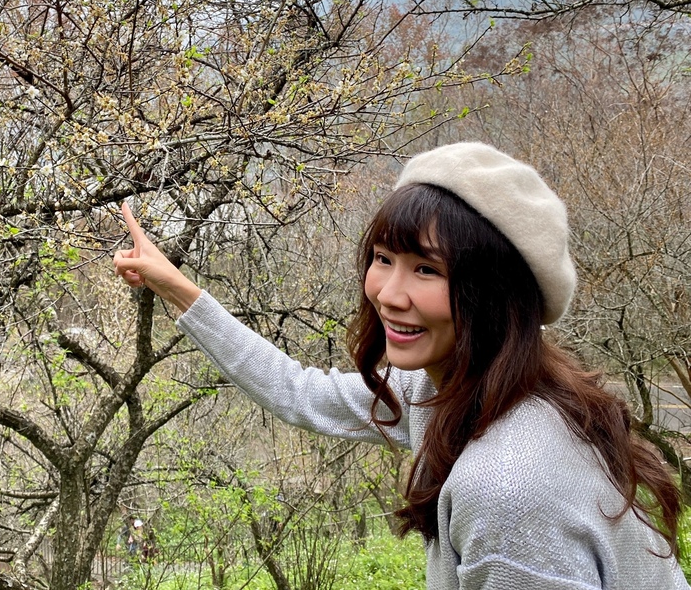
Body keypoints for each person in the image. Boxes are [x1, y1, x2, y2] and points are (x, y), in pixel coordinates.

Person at [113, 141, 689, 590]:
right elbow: (299, 391)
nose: (388, 293)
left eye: (426, 270)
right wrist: (180, 291)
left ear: (494, 294)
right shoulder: (458, 390)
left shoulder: (510, 488)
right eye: (384, 259)